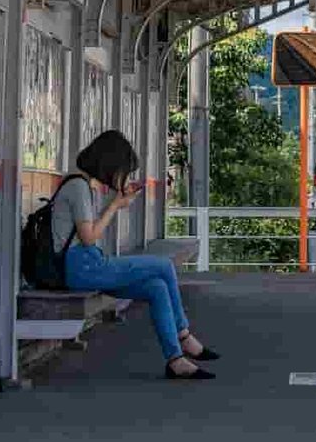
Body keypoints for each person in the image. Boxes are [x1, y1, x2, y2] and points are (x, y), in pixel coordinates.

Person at [54, 130, 220, 380]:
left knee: (156, 288)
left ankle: (175, 360)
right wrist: (115, 206)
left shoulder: (80, 184)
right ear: (109, 164)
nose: (124, 177)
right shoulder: (78, 187)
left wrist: (117, 202)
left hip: (87, 265)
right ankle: (184, 336)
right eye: (124, 170)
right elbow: (89, 237)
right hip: (82, 267)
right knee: (163, 266)